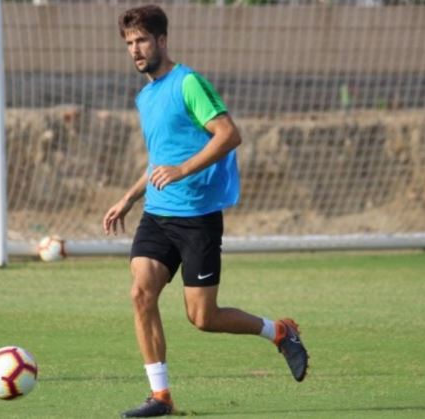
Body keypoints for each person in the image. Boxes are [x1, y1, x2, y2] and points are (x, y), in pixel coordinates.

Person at [103, 5, 308, 417]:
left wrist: (182, 170)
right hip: (158, 215)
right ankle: (160, 397)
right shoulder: (145, 96)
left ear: (162, 40)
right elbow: (162, 158)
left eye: (142, 40)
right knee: (141, 293)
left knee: (203, 317)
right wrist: (129, 196)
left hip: (197, 217)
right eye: (129, 43)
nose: (135, 50)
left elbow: (229, 134)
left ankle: (279, 331)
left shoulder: (188, 83)